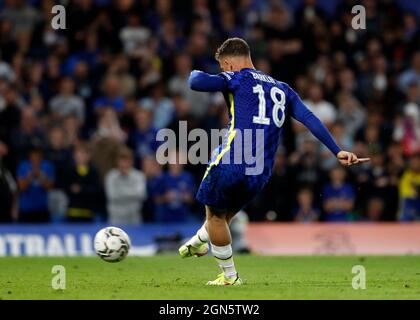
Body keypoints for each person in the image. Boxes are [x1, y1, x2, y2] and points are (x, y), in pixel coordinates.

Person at [179, 38, 369, 285]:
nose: (223, 71)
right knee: (222, 218)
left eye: (223, 66)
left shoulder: (236, 78)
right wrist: (337, 150)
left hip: (234, 159)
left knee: (214, 215)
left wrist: (194, 68)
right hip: (261, 171)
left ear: (228, 63)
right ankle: (198, 243)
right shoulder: (282, 88)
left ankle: (229, 277)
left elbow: (195, 81)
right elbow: (309, 118)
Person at [105, 147, 147, 225]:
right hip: (115, 219)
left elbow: (141, 195)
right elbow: (112, 196)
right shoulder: (111, 176)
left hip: (134, 219)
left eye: (126, 161)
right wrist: (132, 193)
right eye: (122, 161)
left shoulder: (139, 176)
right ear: (117, 162)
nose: (124, 164)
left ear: (131, 162)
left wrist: (120, 192)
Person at [16, 147, 54, 222]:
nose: (35, 161)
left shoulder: (47, 167)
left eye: (37, 158)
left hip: (42, 209)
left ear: (41, 158)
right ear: (29, 158)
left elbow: (49, 188)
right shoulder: (23, 166)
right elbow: (22, 187)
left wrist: (40, 176)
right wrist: (30, 176)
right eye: (33, 158)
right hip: (26, 209)